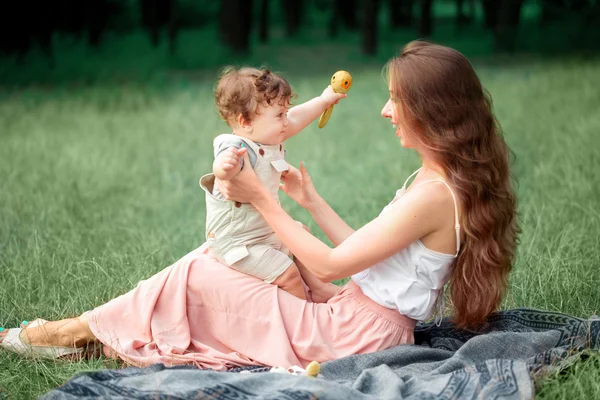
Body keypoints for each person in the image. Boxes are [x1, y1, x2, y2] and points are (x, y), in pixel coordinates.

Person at [0, 41, 519, 372]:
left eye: (394, 100)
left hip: (355, 336)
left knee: (202, 273)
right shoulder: (433, 181)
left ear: (431, 110)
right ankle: (82, 335)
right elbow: (363, 253)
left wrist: (263, 201)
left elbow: (335, 265)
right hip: (354, 317)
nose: (385, 111)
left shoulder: (434, 194)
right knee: (208, 264)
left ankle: (67, 333)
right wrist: (309, 201)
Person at [203, 67, 345, 300]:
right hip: (238, 243)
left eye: (285, 113)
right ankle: (301, 313)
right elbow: (219, 165)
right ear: (245, 121)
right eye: (280, 115)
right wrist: (223, 167)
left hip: (265, 231)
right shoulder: (235, 146)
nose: (286, 121)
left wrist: (324, 99)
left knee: (302, 234)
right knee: (287, 274)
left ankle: (318, 289)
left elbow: (298, 117)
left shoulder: (266, 136)